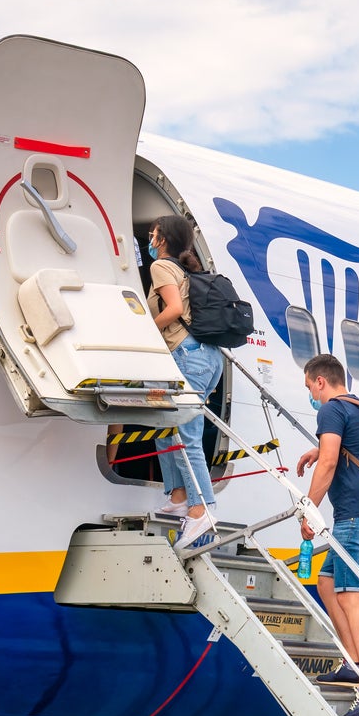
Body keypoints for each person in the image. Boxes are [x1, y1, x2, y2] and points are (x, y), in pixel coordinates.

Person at [295, 354, 359, 716]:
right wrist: (318, 448)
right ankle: (353, 662)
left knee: (352, 596)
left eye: (309, 387)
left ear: (321, 381)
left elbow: (332, 462)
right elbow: (348, 450)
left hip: (357, 518)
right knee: (326, 582)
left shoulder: (331, 410)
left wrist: (309, 509)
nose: (310, 395)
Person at [146, 215, 224, 550]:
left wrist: (146, 329)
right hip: (204, 359)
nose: (150, 237)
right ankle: (178, 497)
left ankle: (201, 509)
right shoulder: (183, 270)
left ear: (162, 239)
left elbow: (174, 309)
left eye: (153, 233)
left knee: (186, 436)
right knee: (166, 428)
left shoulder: (162, 266)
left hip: (187, 358)